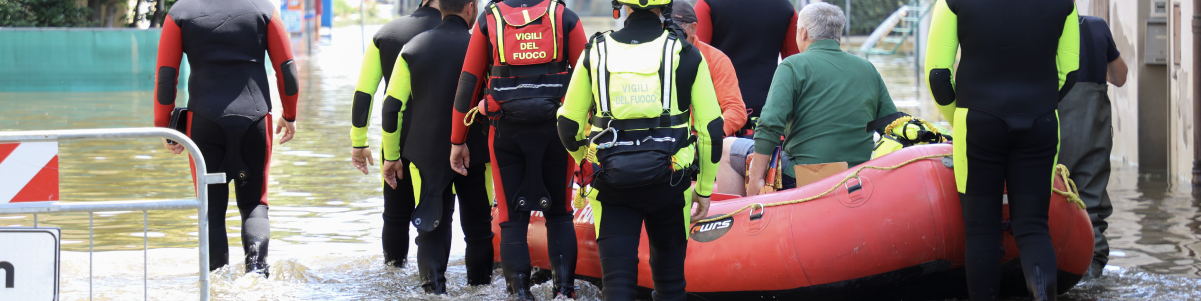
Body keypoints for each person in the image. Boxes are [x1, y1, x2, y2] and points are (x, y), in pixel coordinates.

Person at [556, 0, 722, 299]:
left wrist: (588, 160)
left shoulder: (595, 52)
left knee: (617, 285)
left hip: (611, 185)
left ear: (620, 6)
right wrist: (706, 189)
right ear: (666, 7)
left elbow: (568, 125)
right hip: (671, 183)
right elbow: (712, 130)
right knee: (671, 285)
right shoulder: (687, 53)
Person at [925, 0, 1079, 299]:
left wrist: (960, 116)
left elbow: (938, 75)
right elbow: (1070, 72)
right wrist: (1039, 105)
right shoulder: (1065, 3)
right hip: (1041, 121)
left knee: (981, 230)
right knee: (1034, 227)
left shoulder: (951, 2)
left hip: (978, 121)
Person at [448, 0, 586, 298]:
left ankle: (520, 293)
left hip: (505, 133)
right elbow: (590, 77)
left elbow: (468, 83)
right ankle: (565, 292)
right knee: (561, 214)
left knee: (511, 218)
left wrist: (457, 140)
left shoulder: (489, 20)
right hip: (557, 132)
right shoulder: (564, 17)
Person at [154, 0, 299, 276]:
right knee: (255, 206)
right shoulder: (263, 10)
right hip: (255, 120)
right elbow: (287, 68)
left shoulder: (180, 12)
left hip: (204, 124)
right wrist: (289, 115)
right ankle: (257, 277)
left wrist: (165, 126)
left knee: (211, 210)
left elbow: (166, 76)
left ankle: (217, 286)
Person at [375, 0, 491, 293]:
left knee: (430, 227)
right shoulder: (483, 47)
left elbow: (391, 108)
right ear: (471, 8)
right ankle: (480, 290)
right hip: (472, 149)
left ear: (442, 8)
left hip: (424, 152)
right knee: (478, 230)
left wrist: (391, 156)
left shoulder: (414, 47)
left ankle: (434, 292)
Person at [743, 3, 898, 197]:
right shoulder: (868, 68)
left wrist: (756, 179)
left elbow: (769, 125)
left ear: (803, 33)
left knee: (728, 150)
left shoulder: (792, 65)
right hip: (858, 175)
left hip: (804, 175)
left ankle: (737, 216)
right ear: (837, 33)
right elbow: (893, 124)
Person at [347, 0, 442, 269]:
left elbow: (364, 92)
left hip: (395, 137)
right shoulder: (457, 34)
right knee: (438, 212)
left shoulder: (385, 34)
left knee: (395, 216)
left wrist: (359, 142)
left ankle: (392, 279)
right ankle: (434, 282)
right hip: (440, 141)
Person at [1058, 11, 1127, 280]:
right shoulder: (1097, 27)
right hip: (1092, 130)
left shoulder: (1035, 27)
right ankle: (1092, 272)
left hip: (1049, 129)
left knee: (1046, 197)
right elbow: (1119, 77)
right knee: (1091, 203)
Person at [693, 0, 800, 136]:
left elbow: (694, 60)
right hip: (770, 120)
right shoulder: (786, 7)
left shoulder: (707, 4)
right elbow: (797, 69)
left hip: (719, 121)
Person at [671, 0, 746, 137]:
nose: (667, 36)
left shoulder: (717, 60)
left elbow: (736, 110)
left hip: (703, 137)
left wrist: (711, 136)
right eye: (663, 28)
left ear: (693, 29)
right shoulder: (655, 57)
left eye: (673, 30)